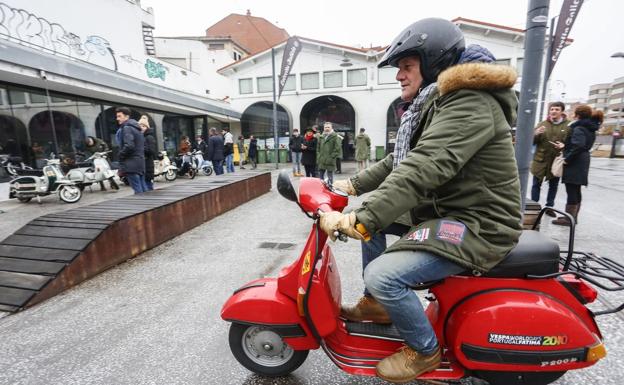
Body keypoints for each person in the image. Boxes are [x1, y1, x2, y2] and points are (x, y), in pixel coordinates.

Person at [321, 18, 522, 382]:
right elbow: (398, 161)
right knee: (373, 227)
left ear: (434, 65)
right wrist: (348, 188)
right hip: (454, 212)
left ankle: (424, 350)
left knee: (382, 273)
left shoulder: (469, 102)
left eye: (407, 66)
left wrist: (362, 216)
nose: (400, 75)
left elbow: (424, 166)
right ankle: (380, 305)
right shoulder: (437, 103)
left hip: (479, 225)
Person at [551, 105, 603, 226]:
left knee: (572, 190)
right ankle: (573, 218)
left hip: (576, 162)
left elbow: (578, 145)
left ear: (577, 115)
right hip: (583, 160)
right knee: (576, 189)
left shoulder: (579, 128)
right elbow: (582, 145)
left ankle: (568, 219)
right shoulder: (589, 127)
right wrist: (566, 147)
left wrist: (567, 159)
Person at [530, 102, 570, 216]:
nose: (553, 111)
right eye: (552, 109)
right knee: (536, 184)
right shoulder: (542, 124)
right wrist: (536, 134)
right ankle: (534, 207)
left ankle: (549, 207)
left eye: (556, 109)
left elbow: (572, 142)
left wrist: (564, 146)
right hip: (540, 160)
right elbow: (532, 141)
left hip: (555, 161)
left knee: (553, 185)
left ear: (562, 111)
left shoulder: (568, 125)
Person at [116, 107, 145, 194]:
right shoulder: (136, 128)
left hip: (131, 164)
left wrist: (120, 155)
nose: (117, 118)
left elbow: (129, 146)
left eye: (119, 116)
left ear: (126, 117)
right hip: (140, 163)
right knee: (143, 190)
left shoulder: (127, 128)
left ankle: (143, 206)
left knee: (138, 191)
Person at [139, 116, 156, 191]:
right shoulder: (140, 137)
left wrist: (140, 148)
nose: (141, 127)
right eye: (140, 126)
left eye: (143, 126)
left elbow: (151, 151)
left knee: (148, 187)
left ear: (147, 127)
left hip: (147, 165)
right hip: (142, 165)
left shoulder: (149, 137)